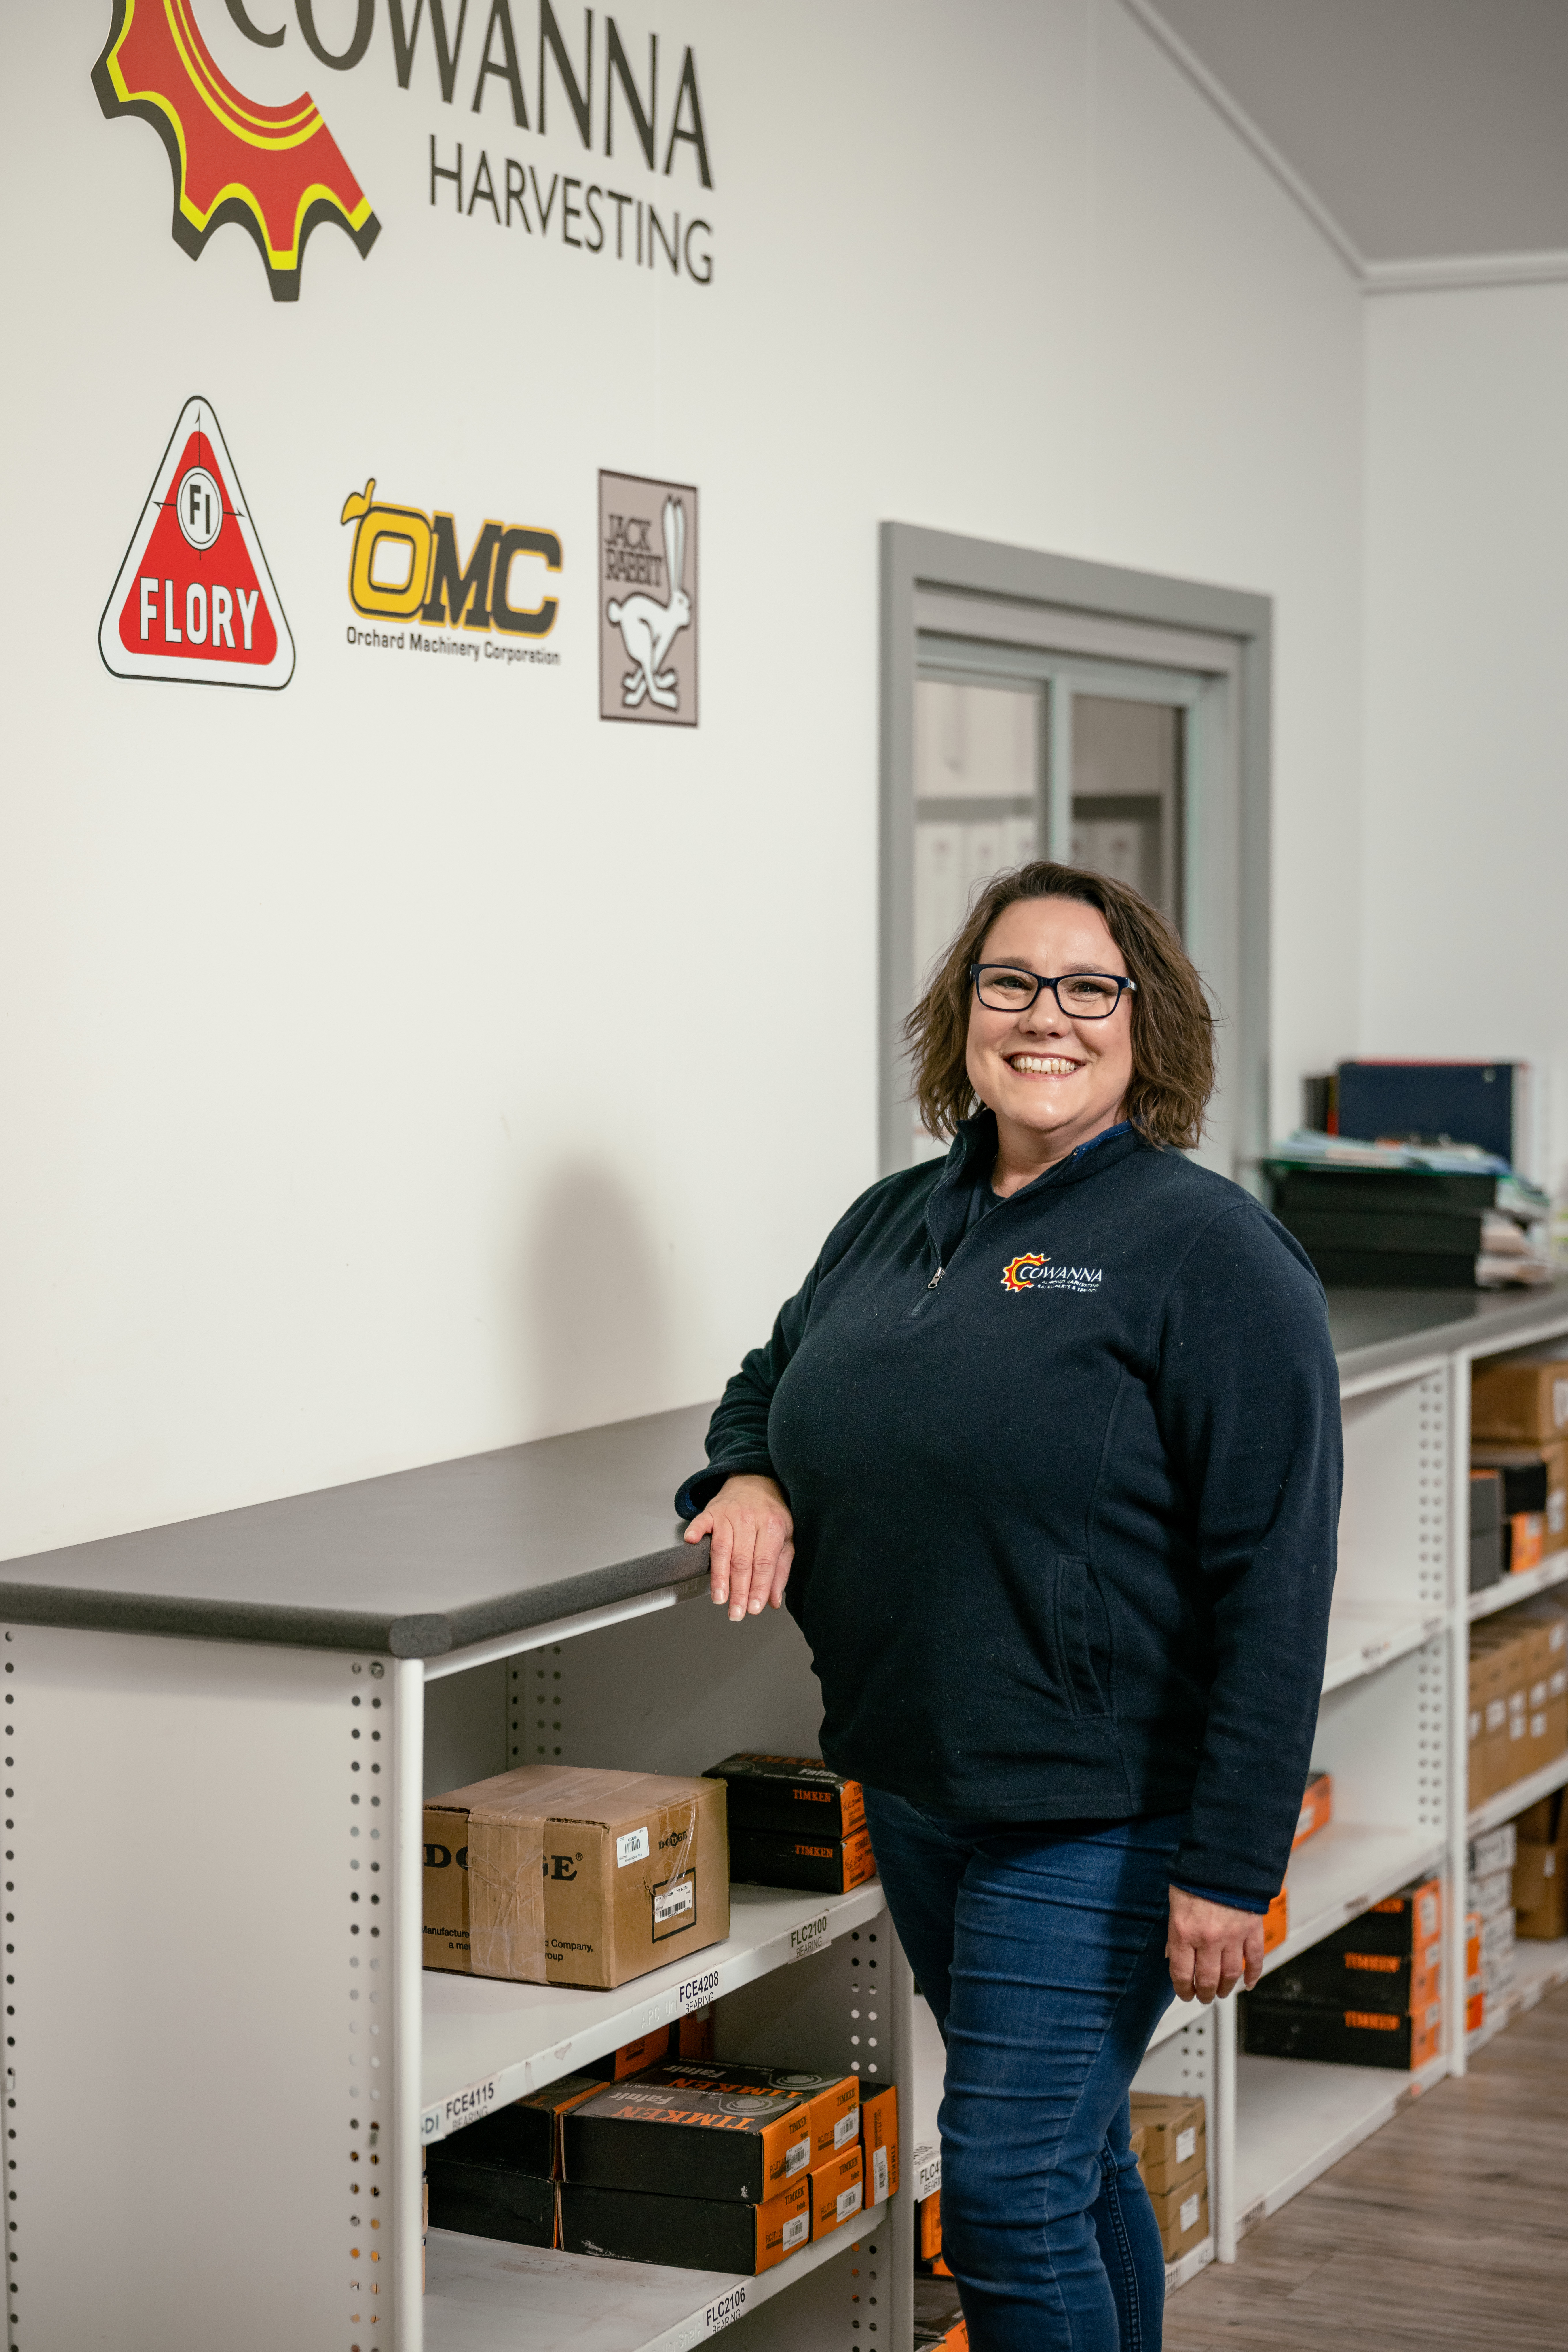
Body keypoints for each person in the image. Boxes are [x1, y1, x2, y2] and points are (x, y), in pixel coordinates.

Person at [676, 860, 1340, 2352]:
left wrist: (1231, 1861)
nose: (1045, 1017)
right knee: (1069, 2155)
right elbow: (770, 1384)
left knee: (1001, 2189)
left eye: (1087, 988)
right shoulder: (893, 1218)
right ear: (962, 1015)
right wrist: (745, 1481)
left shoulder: (1209, 1251)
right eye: (1009, 984)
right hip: (919, 1781)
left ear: (1143, 1026)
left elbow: (1276, 1574)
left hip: (1096, 1806)